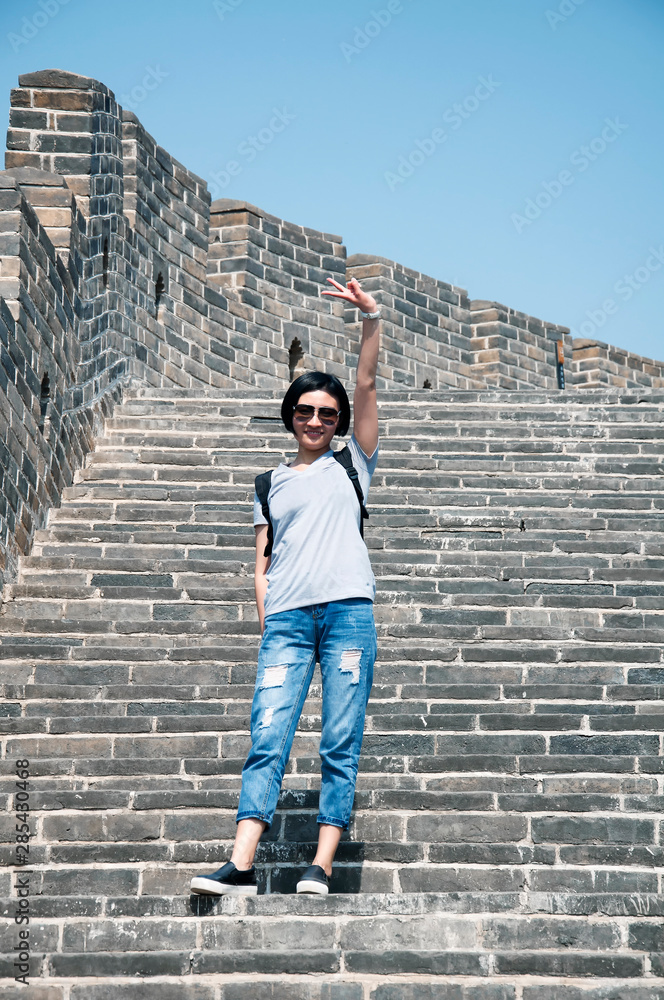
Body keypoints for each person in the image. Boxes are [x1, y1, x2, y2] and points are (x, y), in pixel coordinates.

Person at [190, 275, 381, 897]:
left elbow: (368, 384)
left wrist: (370, 321)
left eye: (328, 413)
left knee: (337, 740)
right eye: (305, 411)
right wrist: (269, 614)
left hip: (348, 615)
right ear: (290, 416)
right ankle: (241, 863)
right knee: (268, 734)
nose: (317, 420)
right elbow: (262, 560)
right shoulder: (267, 483)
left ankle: (320, 865)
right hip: (289, 622)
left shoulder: (354, 463)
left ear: (340, 422)